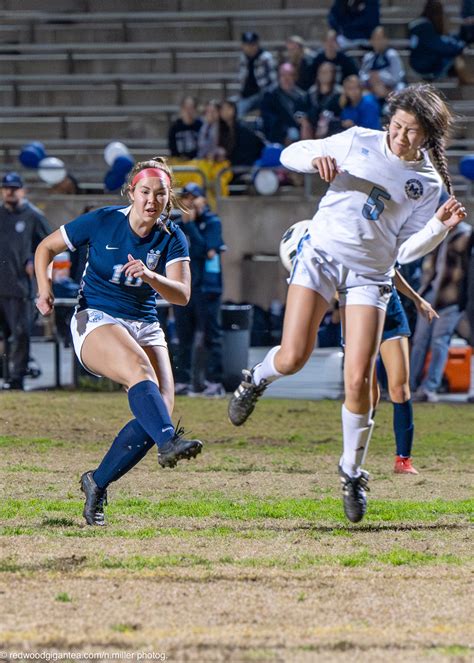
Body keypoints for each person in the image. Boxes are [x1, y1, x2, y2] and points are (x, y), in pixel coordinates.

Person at [228, 83, 466, 523]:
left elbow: (405, 251)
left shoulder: (427, 185)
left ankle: (352, 471)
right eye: (396, 126)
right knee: (294, 356)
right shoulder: (359, 139)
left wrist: (438, 229)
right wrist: (312, 158)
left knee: (358, 380)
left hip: (370, 276)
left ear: (428, 136)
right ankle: (255, 380)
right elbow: (287, 154)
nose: (400, 137)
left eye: (412, 132)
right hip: (320, 255)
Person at [34, 158, 204, 526]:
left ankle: (97, 482)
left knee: (160, 409)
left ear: (168, 198)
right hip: (96, 317)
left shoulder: (172, 237)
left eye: (160, 194)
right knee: (142, 378)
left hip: (144, 322)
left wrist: (150, 276)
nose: (151, 200)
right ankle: (168, 444)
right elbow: (45, 248)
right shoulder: (103, 220)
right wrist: (44, 290)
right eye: (145, 192)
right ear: (132, 192)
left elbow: (183, 295)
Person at [372, 272, 437, 475]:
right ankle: (353, 459)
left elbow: (392, 271)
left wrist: (417, 299)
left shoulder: (386, 239)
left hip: (390, 310)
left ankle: (403, 460)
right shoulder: (341, 241)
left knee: (400, 388)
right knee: (368, 395)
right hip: (359, 312)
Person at [173, 182, 226, 398]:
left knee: (211, 335)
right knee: (183, 337)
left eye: (194, 197)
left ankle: (214, 381)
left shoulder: (212, 222)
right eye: (185, 198)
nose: (190, 202)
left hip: (207, 288)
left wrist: (192, 226)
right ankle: (182, 380)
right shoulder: (178, 225)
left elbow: (207, 250)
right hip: (183, 288)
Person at [410, 220, 473, 401]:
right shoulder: (439, 232)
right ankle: (411, 386)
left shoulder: (467, 235)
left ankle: (429, 388)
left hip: (451, 296)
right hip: (430, 294)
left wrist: (464, 298)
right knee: (420, 340)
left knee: (439, 342)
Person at [0, 172, 51, 390]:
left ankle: (17, 378)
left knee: (20, 334)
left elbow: (50, 246)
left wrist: (34, 260)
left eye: (14, 187)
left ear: (23, 190)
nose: (10, 191)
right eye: (6, 187)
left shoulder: (33, 216)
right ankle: (5, 374)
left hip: (21, 287)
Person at [409, 0, 473, 85]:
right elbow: (440, 46)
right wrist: (460, 47)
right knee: (457, 56)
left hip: (418, 63)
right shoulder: (425, 27)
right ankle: (467, 80)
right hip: (425, 66)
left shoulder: (419, 24)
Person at [261, 63, 310, 145]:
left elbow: (301, 112)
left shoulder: (301, 95)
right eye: (283, 75)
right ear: (279, 77)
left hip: (297, 132)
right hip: (276, 133)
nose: (286, 78)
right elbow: (269, 118)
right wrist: (285, 133)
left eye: (289, 75)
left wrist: (303, 121)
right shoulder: (270, 95)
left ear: (295, 77)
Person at [359, 26, 406, 105]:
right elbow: (362, 76)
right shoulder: (368, 57)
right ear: (371, 41)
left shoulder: (391, 54)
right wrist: (371, 79)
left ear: (386, 40)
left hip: (391, 89)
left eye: (380, 38)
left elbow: (396, 78)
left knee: (401, 88)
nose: (378, 41)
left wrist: (380, 76)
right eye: (375, 38)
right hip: (372, 89)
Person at [237, 31, 277, 117]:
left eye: (252, 44)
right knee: (236, 113)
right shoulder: (243, 58)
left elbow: (273, 80)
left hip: (263, 94)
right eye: (247, 45)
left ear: (257, 44)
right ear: (243, 46)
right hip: (247, 96)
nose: (250, 47)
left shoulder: (266, 57)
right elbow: (241, 78)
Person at [219, 99, 265, 167]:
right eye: (221, 109)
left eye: (227, 108)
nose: (224, 112)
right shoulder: (220, 129)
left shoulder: (243, 130)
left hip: (242, 166)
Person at [306, 61, 344, 138]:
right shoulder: (311, 93)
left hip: (334, 129)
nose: (324, 74)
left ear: (333, 74)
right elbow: (300, 112)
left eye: (327, 72)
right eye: (321, 72)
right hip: (313, 128)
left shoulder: (340, 93)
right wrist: (304, 121)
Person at [168, 96, 203, 160]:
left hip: (197, 162)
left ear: (195, 109)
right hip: (179, 162)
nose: (188, 111)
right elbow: (172, 148)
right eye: (186, 108)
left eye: (191, 108)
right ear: (182, 109)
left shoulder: (200, 125)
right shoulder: (175, 127)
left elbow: (203, 147)